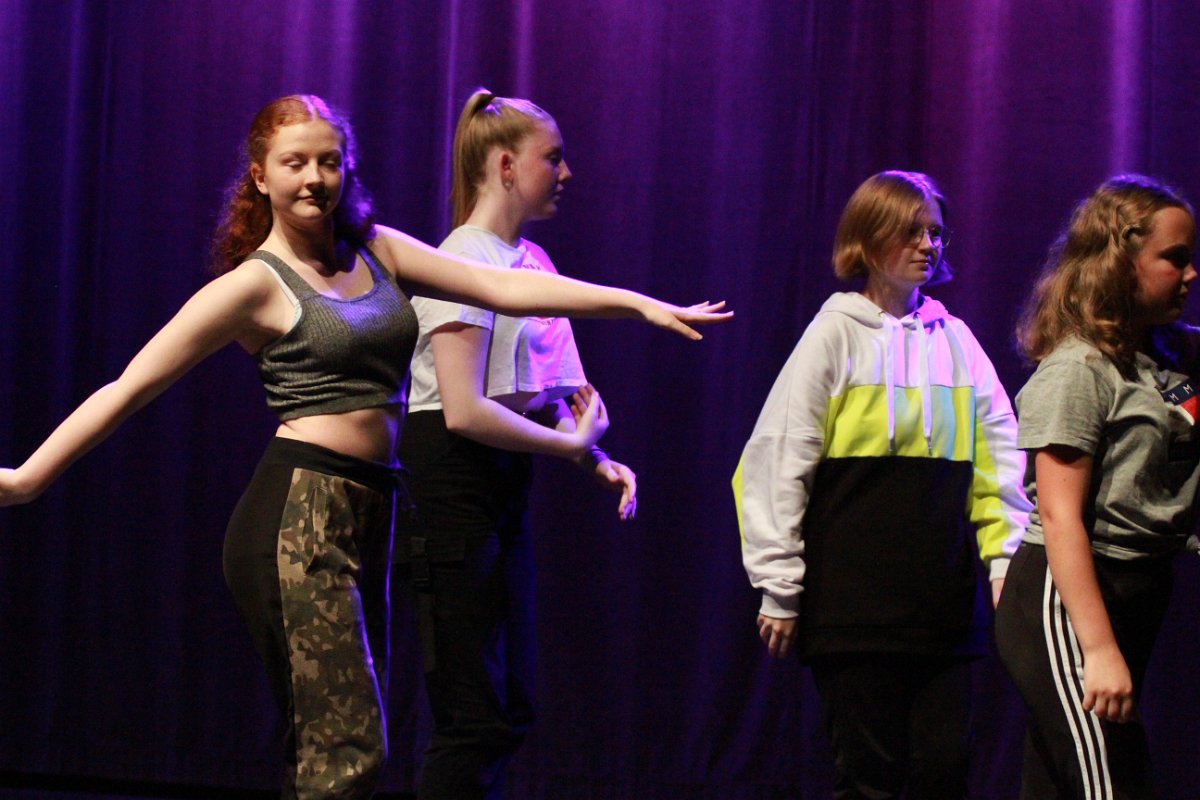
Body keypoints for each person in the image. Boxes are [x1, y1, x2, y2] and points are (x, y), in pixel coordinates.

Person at [0, 94, 730, 799]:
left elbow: (501, 288)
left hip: (372, 508)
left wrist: (639, 305)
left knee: (339, 749)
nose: (314, 178)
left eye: (329, 161)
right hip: (298, 512)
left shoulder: (377, 250)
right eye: (294, 163)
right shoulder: (253, 284)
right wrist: (29, 478)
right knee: (346, 749)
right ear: (260, 176)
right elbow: (129, 386)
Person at [733, 171, 1030, 798]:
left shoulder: (955, 341)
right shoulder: (835, 334)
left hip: (943, 607)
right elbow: (778, 458)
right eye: (910, 232)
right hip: (854, 608)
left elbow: (1001, 457)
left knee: (944, 771)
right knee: (872, 778)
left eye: (936, 232)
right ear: (868, 240)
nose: (928, 244)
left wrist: (1005, 563)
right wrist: (779, 587)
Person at [393, 89, 639, 800]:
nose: (567, 173)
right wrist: (567, 449)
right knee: (472, 715)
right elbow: (464, 410)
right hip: (451, 481)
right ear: (505, 166)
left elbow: (557, 395)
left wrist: (596, 457)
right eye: (552, 158)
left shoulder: (534, 261)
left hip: (501, 486)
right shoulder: (460, 260)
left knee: (510, 706)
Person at [995, 174, 1199, 799]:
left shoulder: (1168, 357)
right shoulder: (1078, 368)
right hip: (1067, 600)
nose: (1190, 275)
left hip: (1138, 588)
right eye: (1174, 259)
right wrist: (1100, 649)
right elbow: (1060, 516)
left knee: (1060, 782)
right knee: (1109, 781)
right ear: (1120, 263)